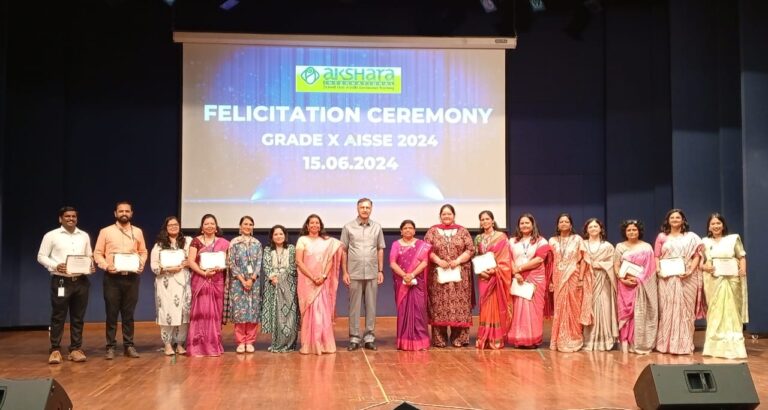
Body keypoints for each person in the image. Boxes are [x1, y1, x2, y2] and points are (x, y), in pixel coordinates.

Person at [37, 206, 94, 364]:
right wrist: (55, 266)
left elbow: (89, 255)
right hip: (61, 281)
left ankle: (75, 349)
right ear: (60, 218)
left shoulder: (84, 235)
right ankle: (55, 349)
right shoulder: (51, 235)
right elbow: (41, 256)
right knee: (58, 316)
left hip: (81, 281)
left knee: (78, 317)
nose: (71, 219)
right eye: (67, 216)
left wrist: (90, 265)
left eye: (74, 216)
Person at [93, 201, 148, 360]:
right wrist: (105, 265)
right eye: (121, 211)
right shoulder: (106, 231)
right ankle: (110, 347)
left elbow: (143, 252)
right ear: (115, 213)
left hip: (131, 278)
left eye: (127, 211)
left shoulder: (137, 232)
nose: (124, 213)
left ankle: (129, 346)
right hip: (112, 278)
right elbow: (97, 253)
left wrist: (141, 263)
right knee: (111, 314)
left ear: (132, 213)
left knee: (128, 314)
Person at [424, 204, 475, 348]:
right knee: (439, 306)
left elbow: (470, 249)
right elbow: (426, 250)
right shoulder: (432, 231)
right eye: (444, 214)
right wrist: (439, 260)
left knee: (460, 306)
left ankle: (459, 338)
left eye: (449, 214)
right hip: (438, 276)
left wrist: (458, 260)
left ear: (454, 215)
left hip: (460, 276)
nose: (447, 216)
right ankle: (439, 339)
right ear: (440, 216)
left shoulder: (463, 231)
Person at [654, 208, 703, 355]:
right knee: (667, 310)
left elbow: (697, 256)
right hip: (667, 278)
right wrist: (658, 270)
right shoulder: (662, 236)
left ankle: (684, 344)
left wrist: (690, 271)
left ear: (683, 220)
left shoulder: (691, 237)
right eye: (672, 218)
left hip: (687, 278)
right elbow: (656, 256)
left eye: (678, 217)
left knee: (686, 312)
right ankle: (666, 345)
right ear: (668, 221)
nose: (675, 220)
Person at [701, 213, 748, 359]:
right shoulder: (704, 242)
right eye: (713, 224)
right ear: (709, 226)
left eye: (718, 223)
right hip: (714, 280)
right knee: (715, 312)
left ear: (723, 225)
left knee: (731, 310)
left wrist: (743, 269)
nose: (716, 226)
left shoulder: (733, 239)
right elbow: (700, 262)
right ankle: (714, 348)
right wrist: (705, 268)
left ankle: (734, 347)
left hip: (731, 279)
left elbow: (741, 256)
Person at [341, 198, 386, 351]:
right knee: (354, 307)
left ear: (371, 209)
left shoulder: (377, 227)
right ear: (357, 208)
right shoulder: (348, 227)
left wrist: (380, 270)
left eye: (367, 207)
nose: (365, 210)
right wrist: (345, 272)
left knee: (371, 307)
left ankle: (369, 338)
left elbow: (380, 248)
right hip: (354, 273)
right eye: (362, 207)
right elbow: (344, 251)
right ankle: (354, 338)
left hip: (372, 272)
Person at [296, 214, 343, 355]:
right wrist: (312, 277)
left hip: (322, 282)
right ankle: (309, 345)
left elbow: (330, 259)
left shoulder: (327, 242)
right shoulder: (302, 240)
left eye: (317, 223)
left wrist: (322, 277)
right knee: (309, 313)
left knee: (322, 313)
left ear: (320, 226)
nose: (315, 225)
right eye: (312, 223)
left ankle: (323, 344)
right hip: (306, 281)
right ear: (307, 225)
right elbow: (299, 261)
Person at [186, 214, 230, 357]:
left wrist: (221, 267)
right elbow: (191, 261)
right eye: (206, 224)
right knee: (201, 313)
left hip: (217, 280)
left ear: (216, 227)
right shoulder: (196, 242)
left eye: (212, 223)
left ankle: (213, 345)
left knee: (214, 315)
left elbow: (227, 262)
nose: (210, 226)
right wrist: (204, 273)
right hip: (201, 280)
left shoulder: (224, 243)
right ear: (202, 227)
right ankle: (197, 346)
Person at [507, 213, 552, 348]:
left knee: (533, 310)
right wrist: (515, 273)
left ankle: (532, 339)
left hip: (535, 278)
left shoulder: (541, 241)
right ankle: (518, 338)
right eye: (522, 223)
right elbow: (508, 259)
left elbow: (539, 260)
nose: (524, 225)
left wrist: (519, 269)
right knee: (518, 309)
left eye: (527, 223)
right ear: (518, 226)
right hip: (518, 277)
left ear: (533, 225)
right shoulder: (512, 241)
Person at [149, 216, 192, 356]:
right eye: (170, 225)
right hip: (166, 283)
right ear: (166, 228)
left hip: (184, 282)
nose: (173, 227)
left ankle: (180, 344)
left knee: (184, 313)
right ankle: (167, 344)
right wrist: (167, 269)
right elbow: (154, 266)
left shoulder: (188, 242)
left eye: (176, 224)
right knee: (167, 312)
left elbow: (194, 259)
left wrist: (188, 263)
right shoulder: (159, 245)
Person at [614, 219, 657, 354]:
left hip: (640, 286)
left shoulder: (647, 247)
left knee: (638, 313)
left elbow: (650, 269)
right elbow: (616, 265)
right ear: (625, 232)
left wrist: (638, 279)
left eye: (634, 230)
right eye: (629, 230)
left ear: (639, 231)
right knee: (625, 314)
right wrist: (622, 278)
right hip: (625, 285)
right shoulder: (620, 247)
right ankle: (625, 342)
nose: (632, 232)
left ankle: (636, 343)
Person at [548, 213, 589, 352]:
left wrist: (582, 278)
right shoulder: (552, 241)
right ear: (558, 225)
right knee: (560, 308)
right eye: (561, 222)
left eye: (566, 221)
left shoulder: (577, 239)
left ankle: (574, 338)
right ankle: (558, 340)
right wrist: (550, 280)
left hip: (573, 276)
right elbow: (550, 262)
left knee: (574, 307)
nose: (564, 223)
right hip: (558, 278)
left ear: (571, 225)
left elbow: (583, 259)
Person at [389, 220, 431, 351]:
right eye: (405, 228)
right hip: (402, 283)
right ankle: (404, 342)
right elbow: (392, 263)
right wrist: (404, 275)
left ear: (414, 230)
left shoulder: (421, 245)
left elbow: (424, 262)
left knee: (419, 311)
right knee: (403, 312)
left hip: (417, 282)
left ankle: (420, 342)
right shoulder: (396, 244)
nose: (408, 230)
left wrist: (412, 275)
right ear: (401, 231)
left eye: (410, 228)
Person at [473, 210, 512, 350]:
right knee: (484, 305)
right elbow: (476, 257)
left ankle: (495, 338)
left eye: (487, 219)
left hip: (496, 276)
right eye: (482, 219)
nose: (484, 222)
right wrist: (481, 272)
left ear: (493, 221)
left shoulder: (501, 237)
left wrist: (494, 271)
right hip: (483, 277)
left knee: (495, 304)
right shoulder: (478, 238)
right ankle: (485, 336)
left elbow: (505, 258)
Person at [580, 218, 618, 351]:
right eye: (590, 227)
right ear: (586, 230)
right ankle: (589, 340)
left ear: (601, 229)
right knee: (588, 308)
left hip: (603, 279)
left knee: (604, 307)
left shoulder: (607, 246)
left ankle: (604, 339)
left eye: (596, 226)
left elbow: (613, 263)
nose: (593, 229)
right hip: (587, 279)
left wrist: (599, 264)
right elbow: (579, 262)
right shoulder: (583, 244)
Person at [261, 224, 299, 353]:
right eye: (276, 234)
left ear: (285, 235)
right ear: (272, 236)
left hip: (289, 285)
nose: (278, 236)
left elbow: (294, 266)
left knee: (290, 314)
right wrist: (273, 277)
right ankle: (277, 343)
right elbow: (266, 266)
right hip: (273, 285)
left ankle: (290, 344)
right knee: (276, 314)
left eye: (281, 234)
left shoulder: (292, 249)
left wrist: (282, 277)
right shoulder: (267, 250)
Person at [227, 216, 263, 354]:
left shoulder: (257, 243)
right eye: (245, 224)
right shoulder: (234, 243)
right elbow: (231, 263)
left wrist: (252, 279)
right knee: (240, 312)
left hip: (254, 282)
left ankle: (250, 341)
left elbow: (259, 263)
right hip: (238, 282)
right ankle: (241, 341)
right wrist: (242, 280)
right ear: (240, 226)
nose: (248, 226)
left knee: (252, 311)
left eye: (250, 224)